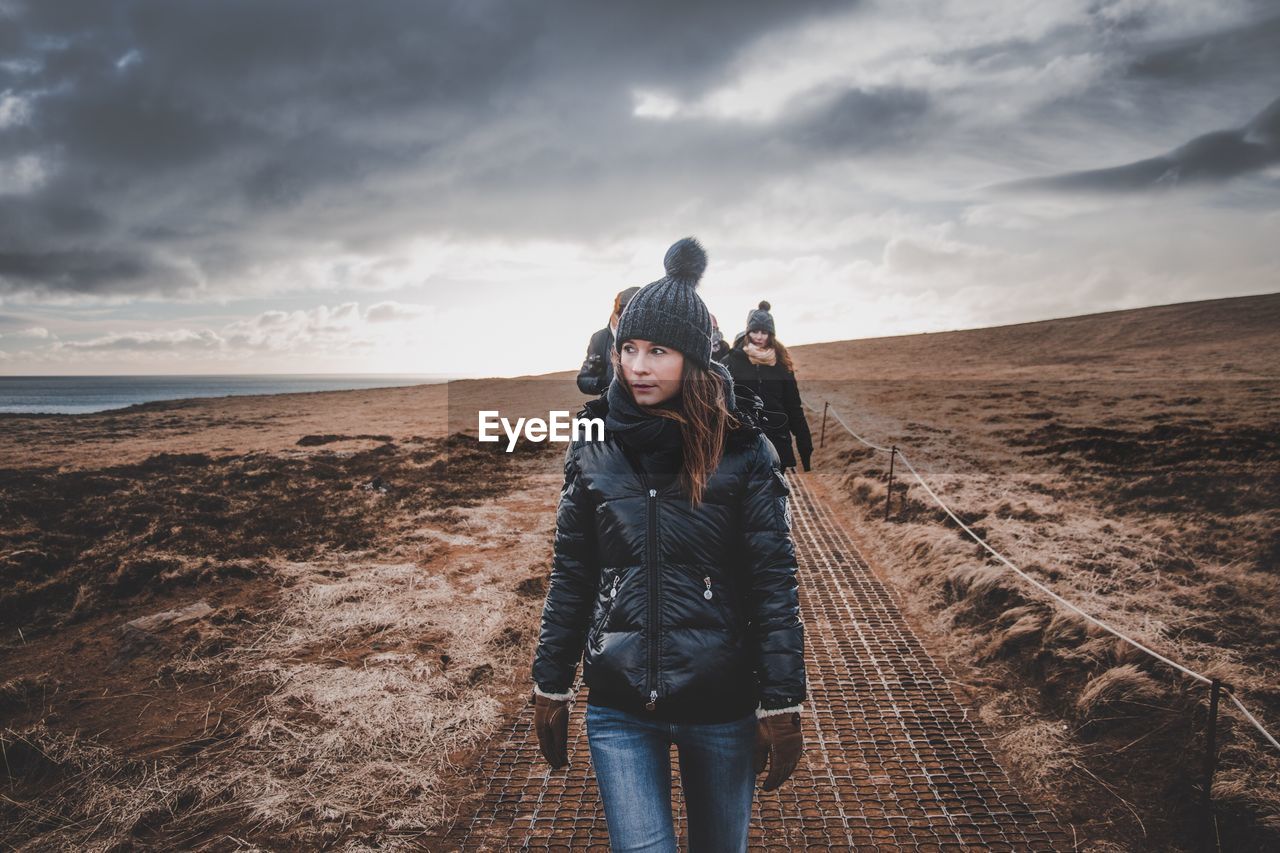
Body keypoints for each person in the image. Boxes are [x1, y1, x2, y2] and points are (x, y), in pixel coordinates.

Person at [531, 238, 807, 853]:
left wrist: (782, 699)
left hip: (722, 704)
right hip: (620, 707)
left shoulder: (744, 453)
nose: (638, 366)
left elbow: (772, 580)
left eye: (658, 350)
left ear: (693, 359)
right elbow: (572, 571)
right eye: (629, 348)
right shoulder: (594, 445)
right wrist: (551, 683)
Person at [723, 301, 814, 473]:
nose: (759, 337)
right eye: (755, 331)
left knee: (773, 496)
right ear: (748, 332)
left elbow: (793, 407)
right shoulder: (731, 362)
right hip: (742, 442)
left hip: (777, 442)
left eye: (764, 332)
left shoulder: (782, 365)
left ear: (771, 334)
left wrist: (805, 446)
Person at [577, 286, 641, 395]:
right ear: (618, 312)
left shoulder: (655, 334)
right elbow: (584, 379)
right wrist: (603, 382)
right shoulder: (600, 338)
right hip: (612, 405)